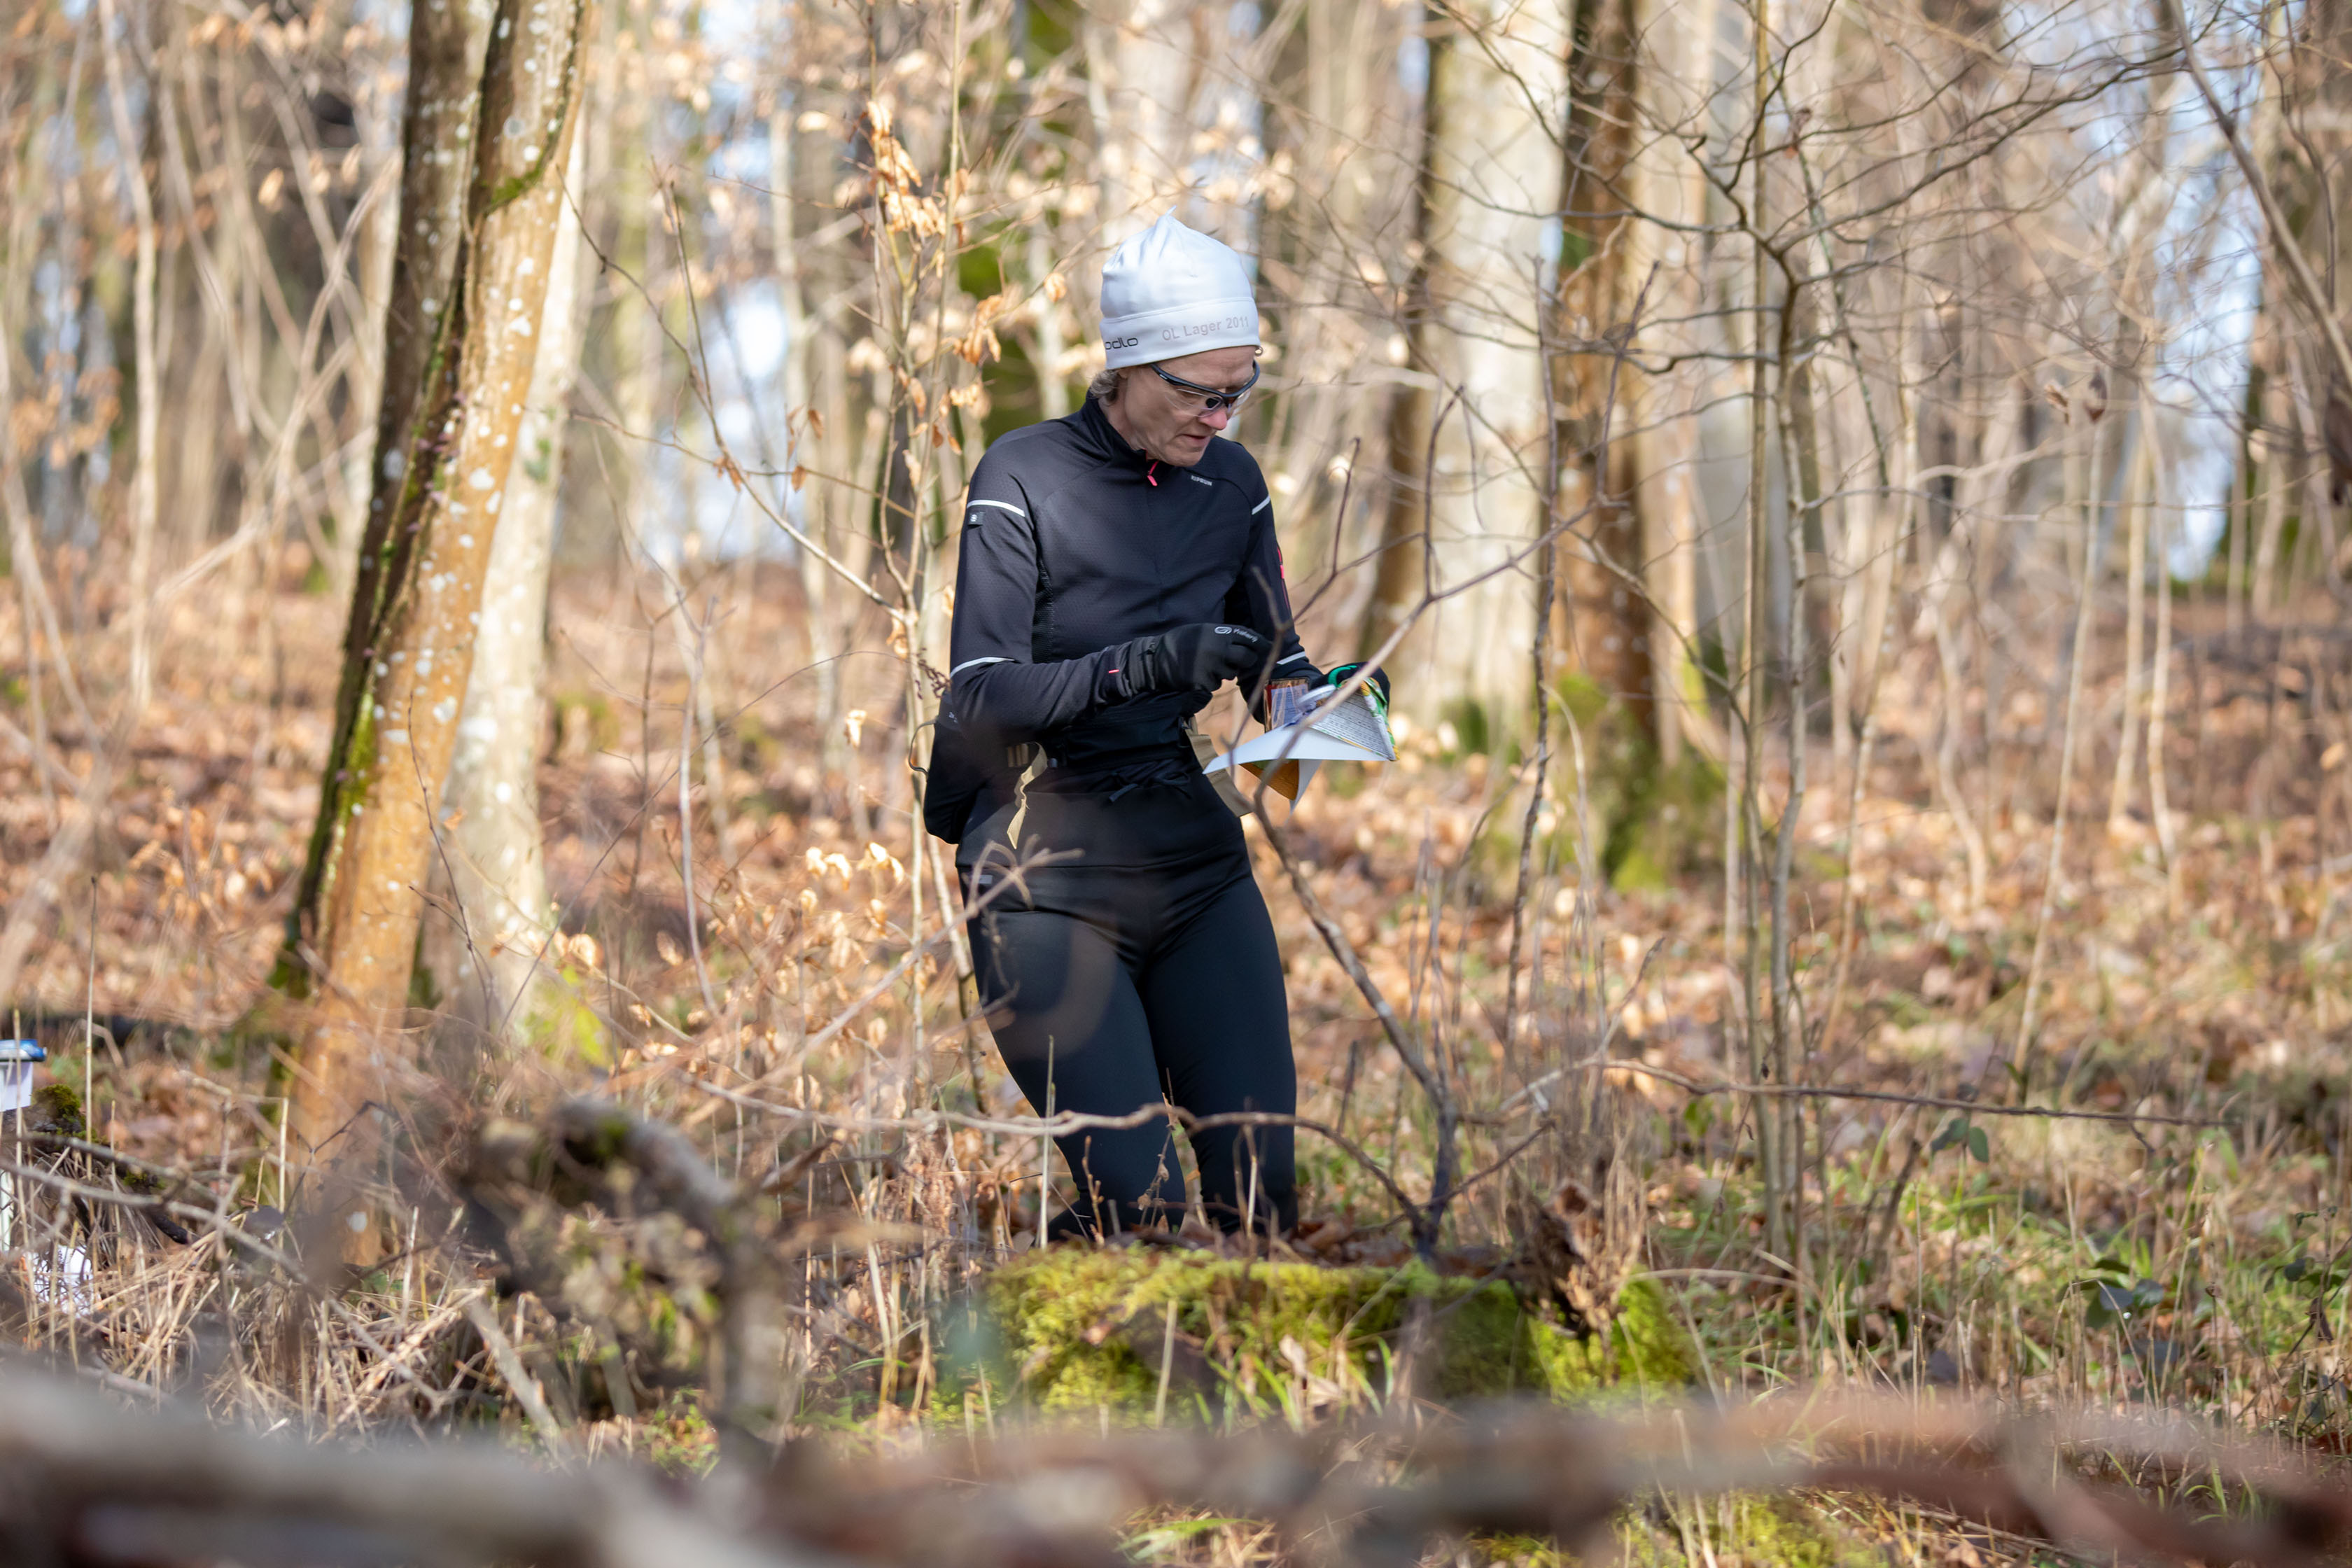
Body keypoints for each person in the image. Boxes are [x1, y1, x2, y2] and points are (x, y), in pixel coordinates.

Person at [927, 214, 1385, 1240]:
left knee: (1260, 1204)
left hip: (1191, 860)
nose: (1219, 416)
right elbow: (980, 694)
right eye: (1197, 392)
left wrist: (1330, 707)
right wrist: (1144, 664)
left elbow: (1275, 667)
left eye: (1240, 391)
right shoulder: (1022, 475)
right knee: (1143, 1214)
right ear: (1128, 364)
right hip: (1041, 874)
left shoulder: (1234, 485)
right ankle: (1058, 1328)